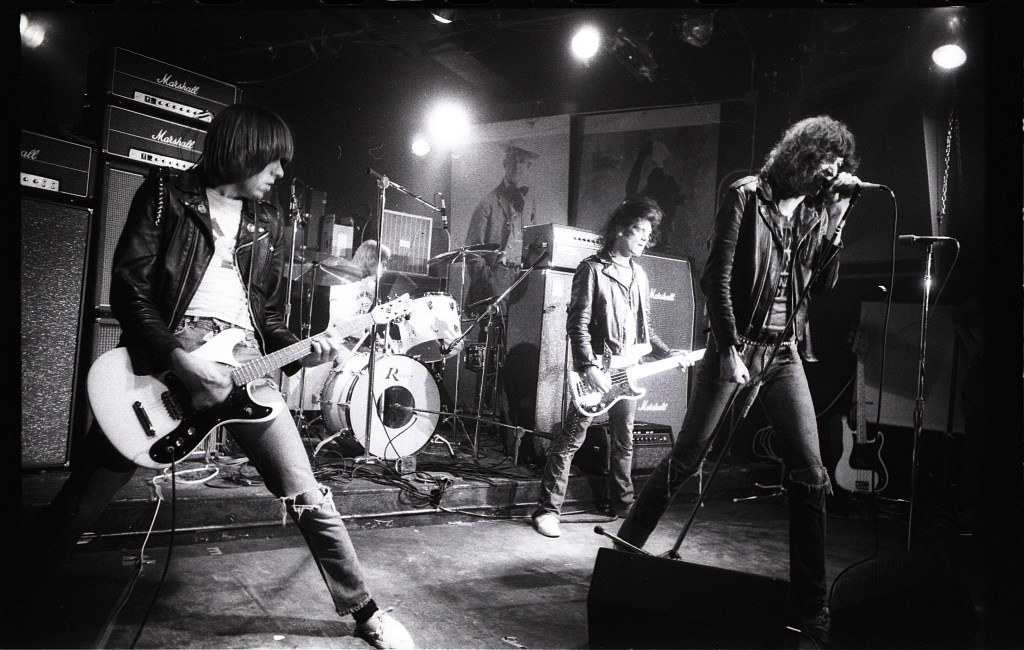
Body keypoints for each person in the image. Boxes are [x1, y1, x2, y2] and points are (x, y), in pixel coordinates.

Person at [30, 104, 414, 649]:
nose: (280, 174)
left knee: (309, 495)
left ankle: (365, 611)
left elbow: (273, 321)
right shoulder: (166, 194)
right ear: (246, 150)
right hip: (167, 366)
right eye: (274, 162)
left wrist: (306, 352)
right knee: (81, 500)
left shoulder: (271, 221)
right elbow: (130, 291)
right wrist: (178, 357)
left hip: (246, 369)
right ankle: (19, 593)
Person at [616, 115, 865, 648]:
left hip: (784, 352)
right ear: (801, 156)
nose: (832, 172)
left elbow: (821, 283)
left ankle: (811, 605)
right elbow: (717, 275)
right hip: (739, 342)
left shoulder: (817, 215)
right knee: (687, 457)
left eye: (839, 167)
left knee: (811, 472)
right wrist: (727, 347)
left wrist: (838, 220)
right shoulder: (747, 195)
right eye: (826, 162)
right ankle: (625, 553)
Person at [532, 196, 678, 538]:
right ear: (620, 230)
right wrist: (587, 368)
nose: (645, 238)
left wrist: (671, 354)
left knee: (624, 440)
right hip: (599, 369)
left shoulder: (639, 275)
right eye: (639, 230)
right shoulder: (593, 268)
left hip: (628, 371)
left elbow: (646, 330)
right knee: (570, 440)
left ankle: (623, 505)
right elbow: (577, 324)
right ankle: (547, 510)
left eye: (648, 232)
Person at [462, 142, 539, 311]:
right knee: (495, 332)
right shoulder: (487, 205)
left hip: (522, 277)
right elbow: (472, 255)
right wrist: (492, 287)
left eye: (522, 161)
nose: (517, 166)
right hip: (497, 278)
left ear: (528, 166)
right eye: (513, 160)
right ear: (504, 164)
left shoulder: (530, 202)